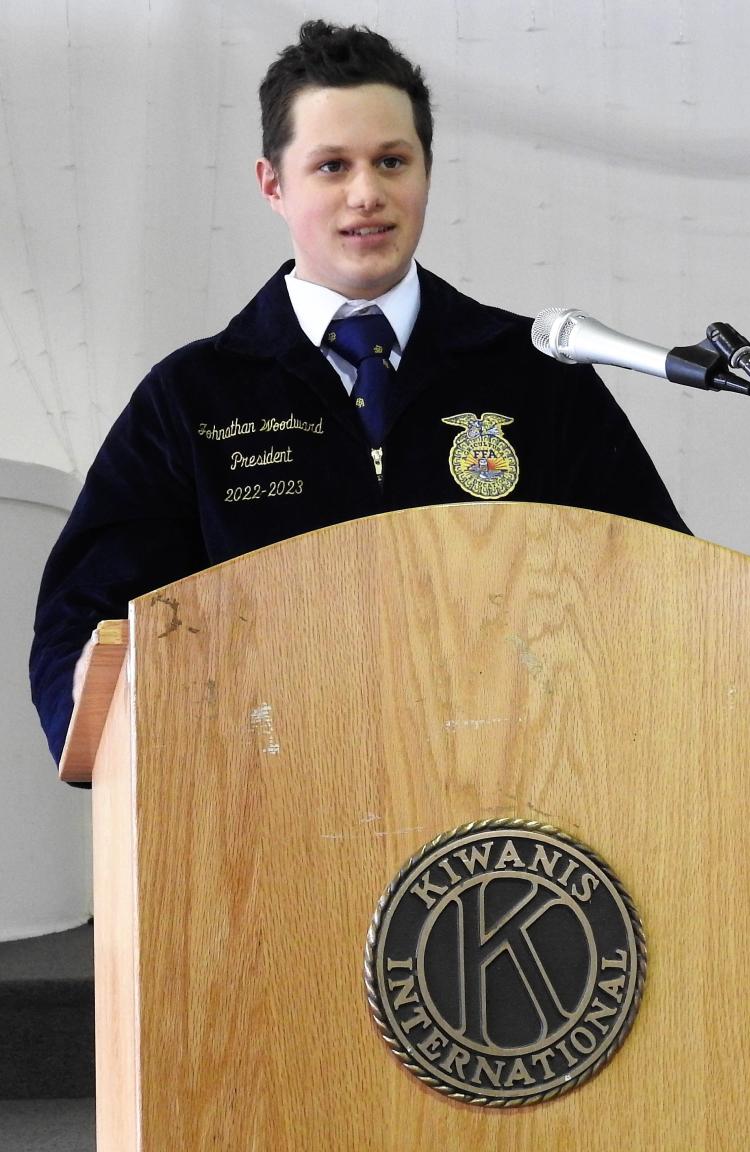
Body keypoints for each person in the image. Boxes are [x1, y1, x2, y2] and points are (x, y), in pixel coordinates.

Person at [30, 20, 688, 768]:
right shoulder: (191, 400)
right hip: (266, 815)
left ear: (427, 173)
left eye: (392, 161)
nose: (367, 194)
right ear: (272, 184)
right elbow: (78, 629)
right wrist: (87, 694)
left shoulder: (534, 372)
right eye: (333, 166)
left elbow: (658, 582)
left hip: (514, 805)